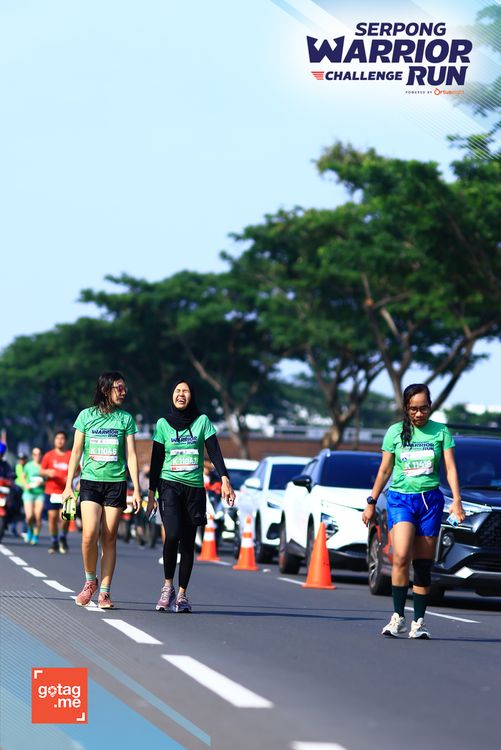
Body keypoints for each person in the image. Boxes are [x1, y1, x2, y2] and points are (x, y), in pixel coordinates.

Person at [362, 383, 465, 639]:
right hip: (401, 500)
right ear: (406, 409)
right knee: (400, 556)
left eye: (424, 408)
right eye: (413, 409)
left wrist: (457, 501)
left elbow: (451, 468)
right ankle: (398, 617)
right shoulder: (395, 432)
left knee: (422, 564)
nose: (419, 414)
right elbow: (385, 470)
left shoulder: (441, 432)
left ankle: (419, 622)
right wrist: (371, 501)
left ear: (430, 406)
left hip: (430, 501)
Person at [147, 378, 236, 613]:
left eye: (185, 391)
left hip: (194, 489)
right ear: (172, 395)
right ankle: (167, 587)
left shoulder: (202, 421)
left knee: (188, 542)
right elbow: (156, 460)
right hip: (169, 486)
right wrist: (151, 493)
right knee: (172, 534)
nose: (181, 394)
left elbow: (214, 451)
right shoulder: (163, 424)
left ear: (191, 396)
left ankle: (182, 594)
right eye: (177, 390)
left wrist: (225, 478)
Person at [62, 371, 141, 609]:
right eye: (119, 388)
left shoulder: (126, 419)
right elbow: (76, 452)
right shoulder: (86, 416)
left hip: (116, 484)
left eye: (124, 388)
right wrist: (68, 485)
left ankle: (104, 592)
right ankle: (90, 581)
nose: (124, 392)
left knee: (109, 537)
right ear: (106, 390)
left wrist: (137, 489)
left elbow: (131, 455)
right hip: (90, 481)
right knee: (89, 534)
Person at [40, 431, 73, 554]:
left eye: (62, 438)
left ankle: (63, 537)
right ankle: (54, 541)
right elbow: (41, 471)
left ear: (66, 441)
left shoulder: (71, 455)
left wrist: (71, 478)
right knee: (52, 517)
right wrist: (47, 472)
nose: (60, 441)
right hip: (51, 492)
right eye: (57, 438)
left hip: (67, 492)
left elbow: (77, 471)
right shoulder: (49, 455)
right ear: (54, 440)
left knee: (65, 518)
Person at [22, 447, 45, 545]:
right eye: (35, 454)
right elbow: (23, 477)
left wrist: (42, 483)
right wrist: (25, 485)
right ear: (32, 455)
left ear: (41, 455)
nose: (37, 456)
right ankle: (30, 530)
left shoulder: (43, 466)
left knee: (38, 516)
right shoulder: (28, 465)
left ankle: (35, 535)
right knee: (29, 516)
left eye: (39, 454)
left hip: (39, 494)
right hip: (29, 493)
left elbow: (47, 479)